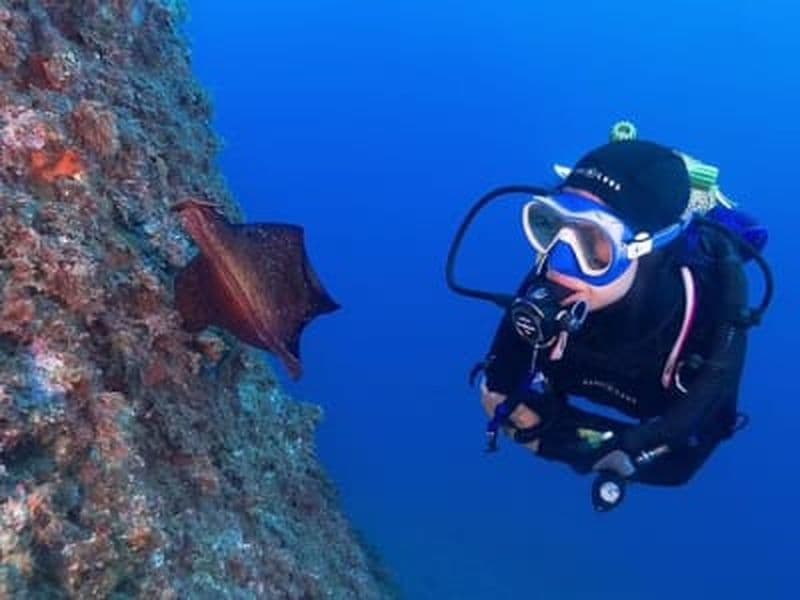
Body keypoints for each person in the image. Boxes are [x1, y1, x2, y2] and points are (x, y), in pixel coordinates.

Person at [446, 127, 772, 510]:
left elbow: (683, 460)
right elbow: (499, 393)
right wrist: (586, 444)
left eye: (595, 242)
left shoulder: (706, 316)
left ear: (646, 249)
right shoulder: (551, 274)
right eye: (550, 224)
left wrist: (548, 438)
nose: (559, 264)